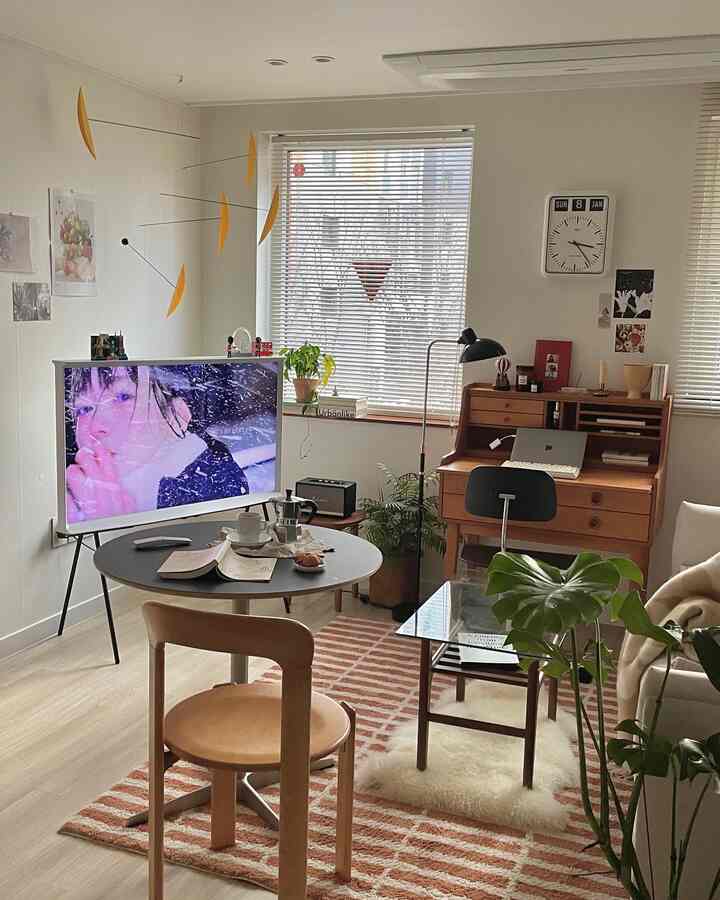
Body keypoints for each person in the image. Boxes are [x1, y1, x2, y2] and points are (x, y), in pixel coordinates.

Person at [65, 365, 249, 523]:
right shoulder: (73, 497)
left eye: (122, 397)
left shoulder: (211, 483)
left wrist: (120, 522)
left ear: (178, 415)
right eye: (84, 409)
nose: (96, 426)